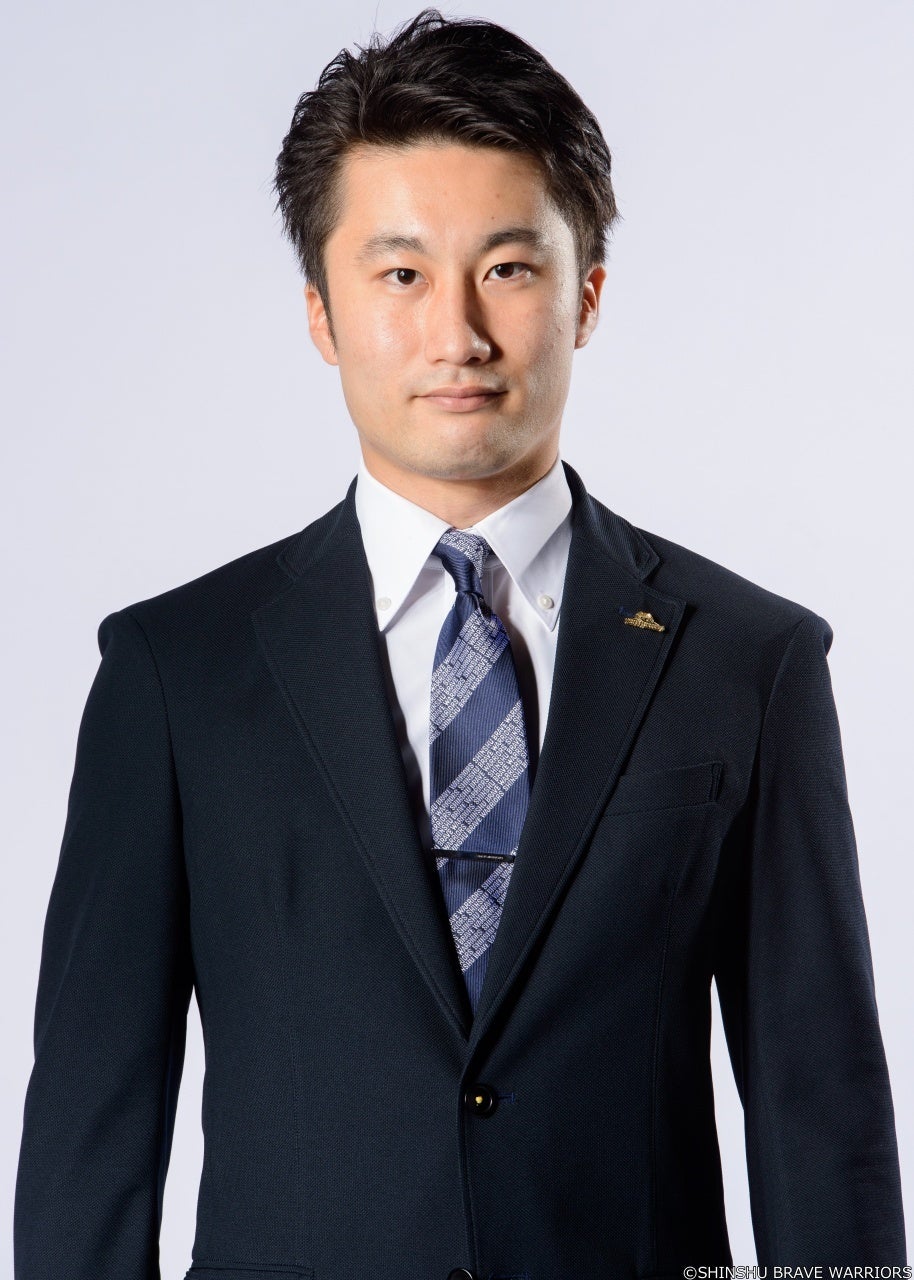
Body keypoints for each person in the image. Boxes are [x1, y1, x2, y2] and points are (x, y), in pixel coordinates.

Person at [14, 10, 906, 1278]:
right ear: (320, 313)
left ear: (584, 295)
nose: (457, 335)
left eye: (507, 268)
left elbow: (822, 1119)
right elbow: (89, 1130)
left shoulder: (747, 661)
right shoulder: (175, 673)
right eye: (399, 275)